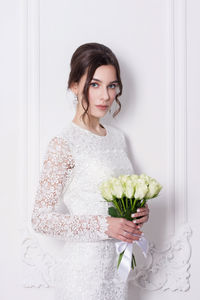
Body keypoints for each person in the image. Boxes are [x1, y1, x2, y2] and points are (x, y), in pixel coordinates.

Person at [31, 42, 150, 300]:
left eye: (111, 85)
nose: (105, 96)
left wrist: (138, 212)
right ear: (74, 85)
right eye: (94, 84)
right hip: (83, 275)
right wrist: (104, 225)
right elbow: (40, 219)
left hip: (117, 270)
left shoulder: (117, 138)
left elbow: (119, 198)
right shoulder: (63, 144)